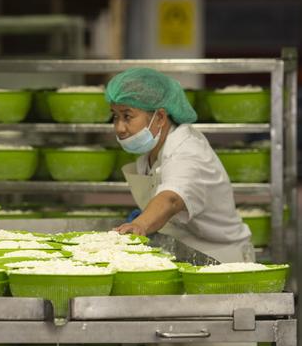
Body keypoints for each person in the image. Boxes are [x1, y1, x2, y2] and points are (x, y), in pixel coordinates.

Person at [109, 67, 254, 264]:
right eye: (115, 116)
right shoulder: (152, 150)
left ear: (160, 117)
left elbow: (172, 199)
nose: (119, 127)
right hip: (187, 251)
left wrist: (140, 224)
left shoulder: (188, 151)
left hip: (221, 260)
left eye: (127, 116)